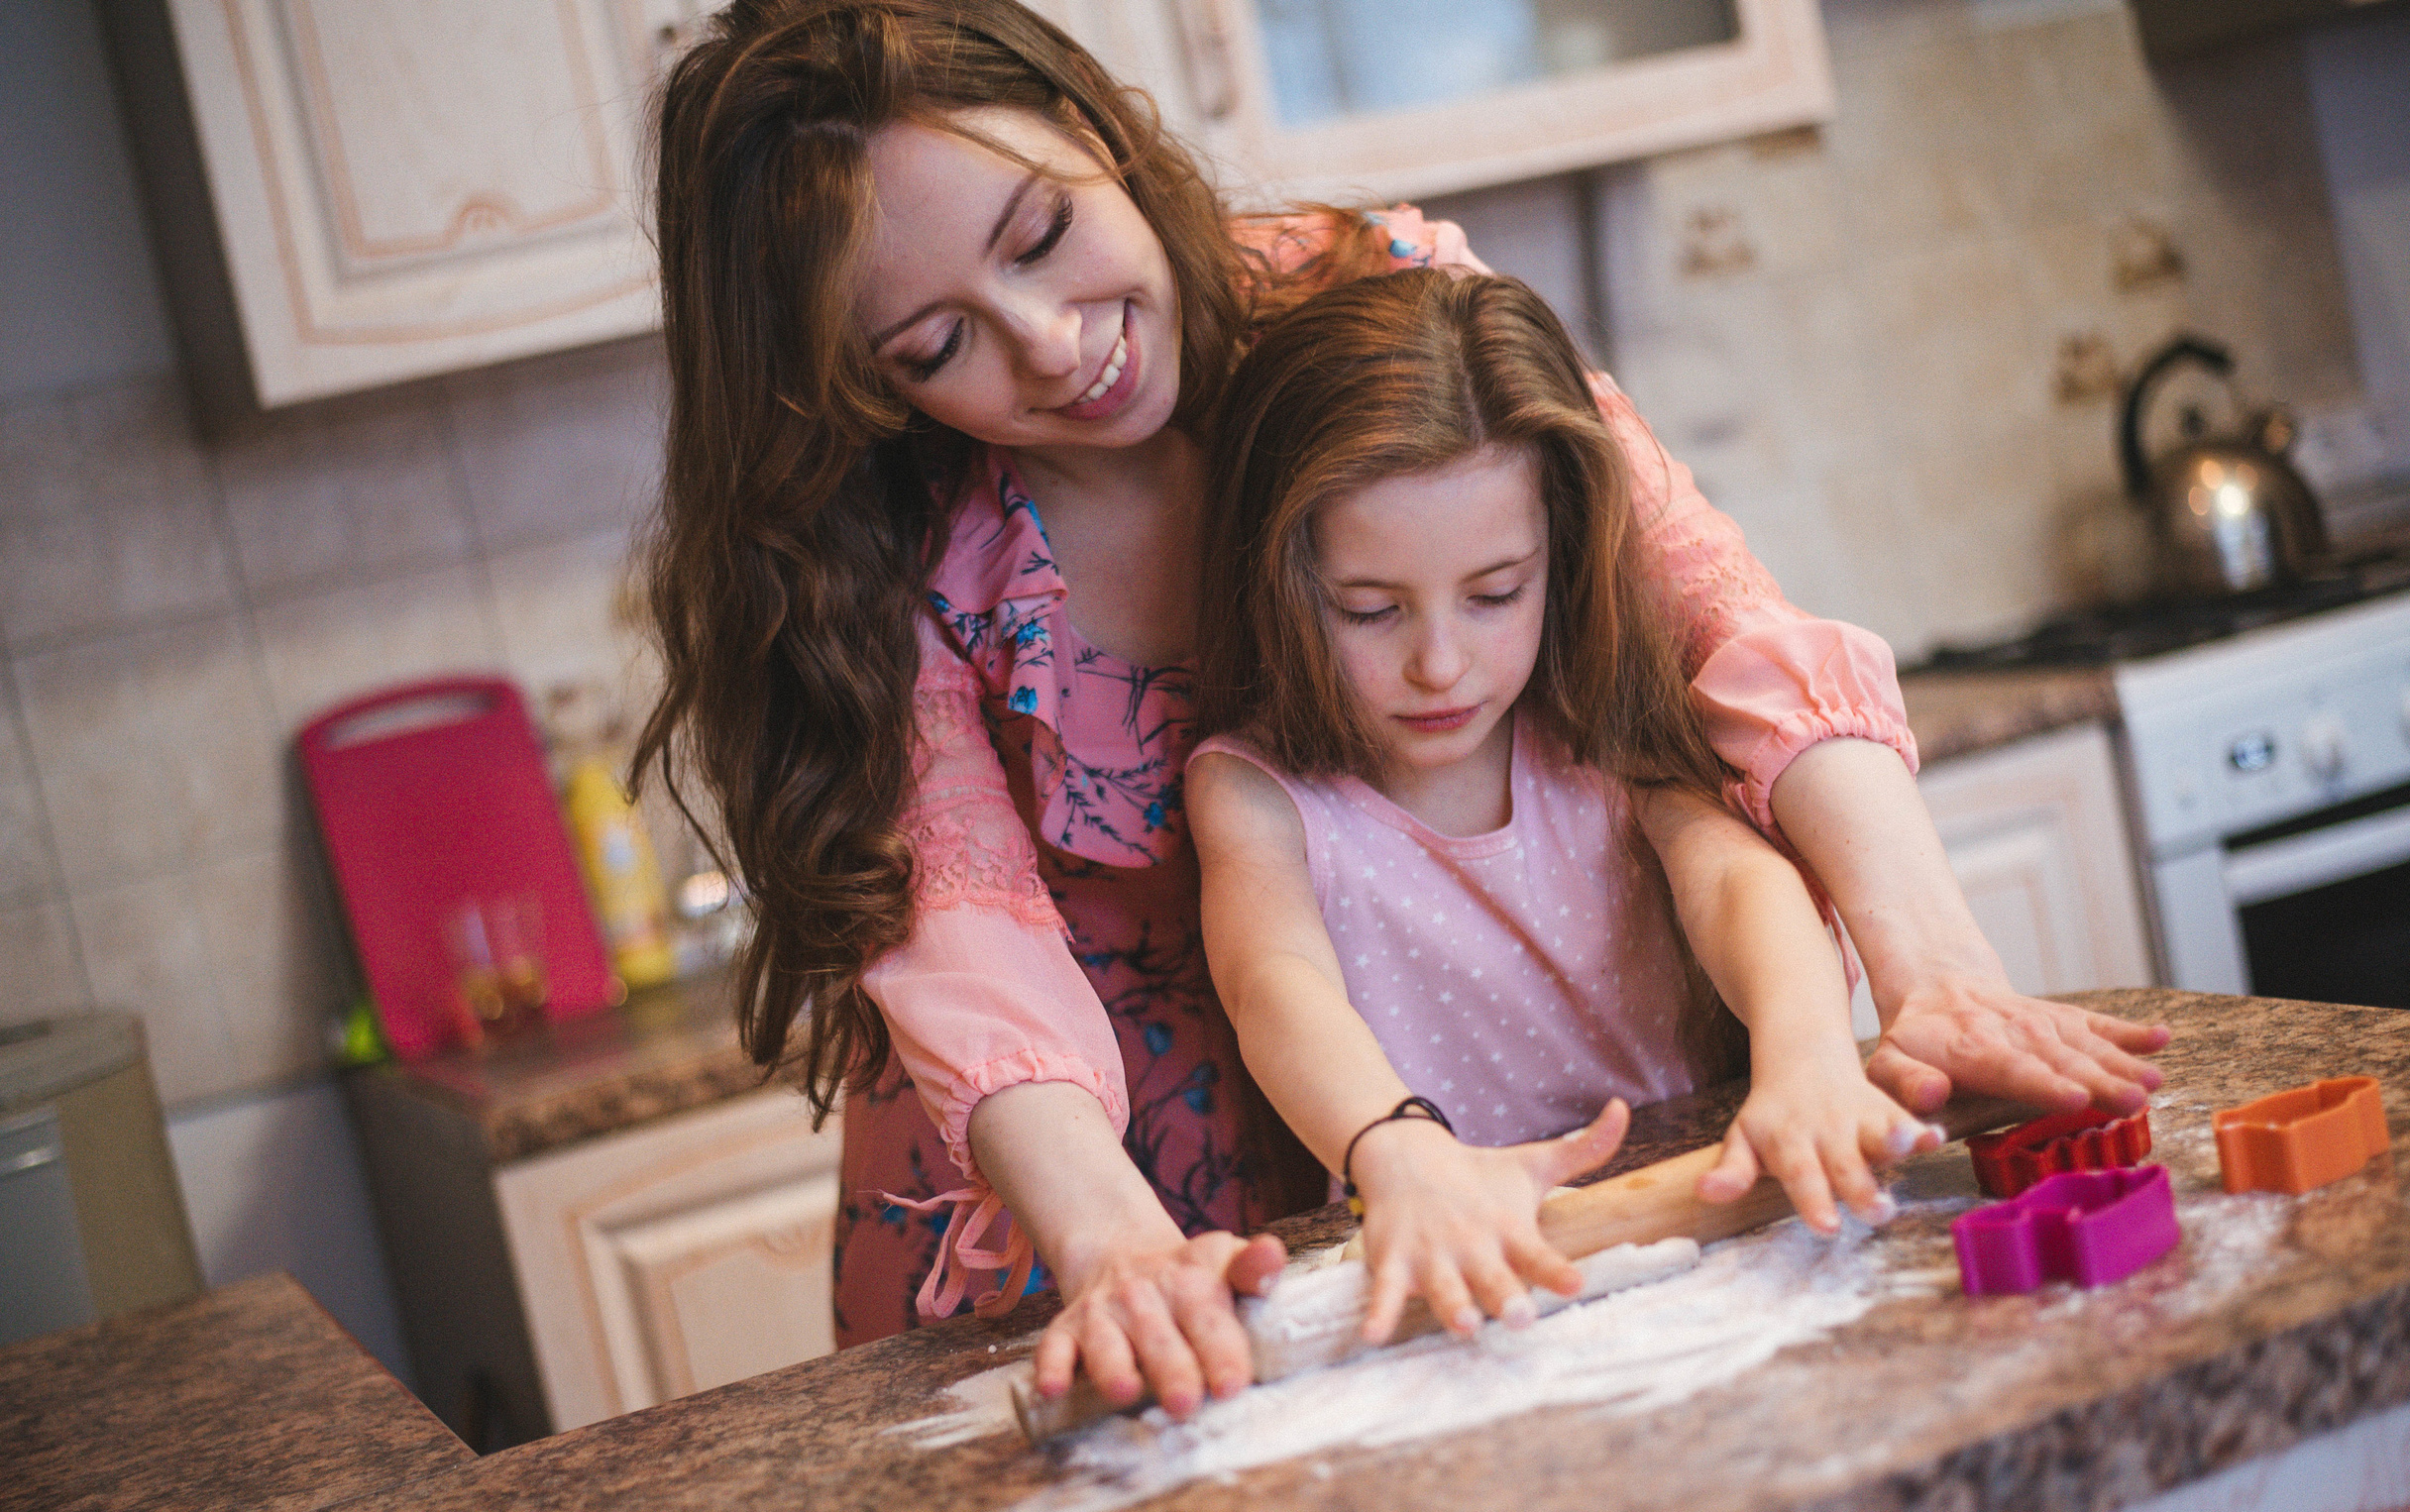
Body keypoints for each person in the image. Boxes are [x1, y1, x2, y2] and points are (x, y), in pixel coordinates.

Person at [633, 0, 2170, 1420]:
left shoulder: (1371, 299)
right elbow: (963, 923)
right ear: (855, 382)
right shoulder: (879, 538)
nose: (1049, 341)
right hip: (1066, 1184)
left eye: (1042, 233)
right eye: (935, 344)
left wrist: (1932, 967)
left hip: (1403, 1151)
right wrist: (1115, 1242)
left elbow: (1713, 615)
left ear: (1092, 126)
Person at [1190, 267, 1952, 1343]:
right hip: (1459, 1267)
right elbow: (1275, 981)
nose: (1439, 662)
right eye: (1369, 609)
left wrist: (1809, 1058)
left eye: (1495, 593)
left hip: (1723, 1215)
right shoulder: (1257, 794)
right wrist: (1400, 1151)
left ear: (1562, 553)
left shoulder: (1599, 720)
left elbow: (1737, 882)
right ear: (1278, 579)